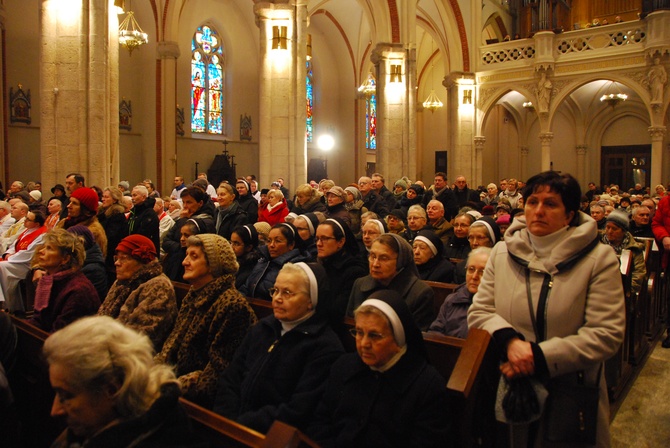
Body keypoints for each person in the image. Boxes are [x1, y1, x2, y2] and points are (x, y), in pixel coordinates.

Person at [468, 171, 625, 447]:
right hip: (513, 383)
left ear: (570, 214)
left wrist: (537, 356)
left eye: (550, 204)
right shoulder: (503, 253)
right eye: (532, 202)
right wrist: (510, 341)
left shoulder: (598, 259)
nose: (538, 211)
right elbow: (480, 311)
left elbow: (606, 334)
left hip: (570, 388)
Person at [308, 290, 451, 447]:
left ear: (398, 339)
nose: (363, 344)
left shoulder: (427, 387)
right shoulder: (343, 366)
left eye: (374, 335)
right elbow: (320, 422)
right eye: (359, 333)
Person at [213, 262, 344, 433]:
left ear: (311, 301)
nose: (277, 298)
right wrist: (226, 419)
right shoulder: (263, 328)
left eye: (287, 293)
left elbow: (299, 410)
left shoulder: (324, 347)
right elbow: (231, 378)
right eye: (275, 290)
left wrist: (242, 425)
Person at [44, 316, 205, 448]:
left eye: (66, 396)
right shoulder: (86, 432)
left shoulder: (162, 439)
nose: (55, 410)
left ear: (113, 390)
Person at [155, 234, 256, 406]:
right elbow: (171, 346)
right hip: (171, 383)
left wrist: (165, 388)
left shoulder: (232, 306)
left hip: (193, 403)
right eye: (187, 255)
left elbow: (216, 375)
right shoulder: (195, 295)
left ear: (213, 264)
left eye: (193, 256)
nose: (184, 262)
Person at [98, 234, 178, 350]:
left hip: (134, 357)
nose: (117, 263)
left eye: (124, 258)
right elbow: (102, 317)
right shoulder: (122, 281)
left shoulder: (159, 287)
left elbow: (139, 337)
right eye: (116, 258)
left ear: (141, 262)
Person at [347, 233, 434, 330]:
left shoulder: (420, 293)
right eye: (372, 256)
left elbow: (415, 338)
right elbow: (350, 326)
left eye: (384, 258)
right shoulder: (360, 284)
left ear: (400, 261)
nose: (375, 264)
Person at [28, 228, 101, 332]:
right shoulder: (50, 281)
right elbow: (39, 321)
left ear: (65, 259)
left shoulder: (78, 290)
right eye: (44, 247)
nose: (41, 251)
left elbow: (59, 333)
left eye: (49, 249)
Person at [428, 247, 490, 338]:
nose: (474, 276)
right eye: (471, 269)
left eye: (482, 272)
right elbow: (435, 331)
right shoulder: (452, 299)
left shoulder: (500, 307)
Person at [315, 218, 368, 320]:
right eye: (317, 239)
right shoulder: (318, 264)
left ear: (341, 242)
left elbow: (336, 310)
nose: (318, 244)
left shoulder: (354, 271)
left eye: (324, 239)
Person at [240, 222, 309, 301]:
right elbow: (246, 287)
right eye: (269, 241)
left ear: (291, 245)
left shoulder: (295, 268)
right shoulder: (263, 260)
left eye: (278, 241)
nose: (271, 245)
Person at [57, 187, 108, 260]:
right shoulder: (64, 222)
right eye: (70, 202)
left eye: (74, 203)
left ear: (85, 209)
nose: (69, 206)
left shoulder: (93, 231)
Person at [97, 186, 128, 284]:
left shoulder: (117, 216)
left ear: (114, 200)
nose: (103, 199)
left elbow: (111, 237)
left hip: (110, 256)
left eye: (106, 197)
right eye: (103, 197)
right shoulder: (103, 213)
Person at [128, 185, 160, 253]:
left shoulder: (149, 214)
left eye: (135, 195)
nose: (132, 198)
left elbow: (144, 235)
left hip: (145, 251)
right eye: (132, 195)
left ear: (143, 197)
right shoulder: (134, 212)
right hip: (131, 248)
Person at [230, 224, 261, 289]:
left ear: (249, 247)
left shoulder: (252, 267)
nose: (231, 247)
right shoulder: (230, 262)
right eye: (231, 242)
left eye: (236, 244)